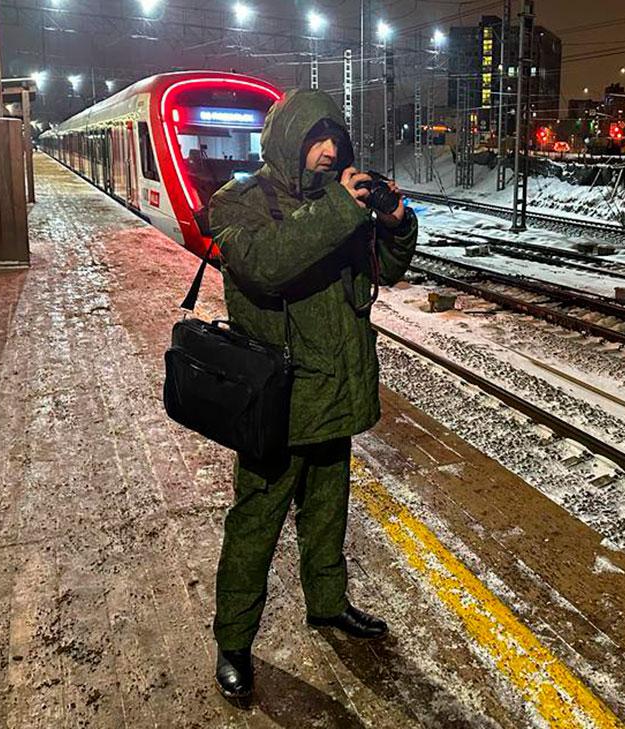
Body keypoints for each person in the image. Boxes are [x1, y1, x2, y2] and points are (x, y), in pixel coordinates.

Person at [206, 89, 417, 702]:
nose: (328, 152)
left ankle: (327, 605)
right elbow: (267, 265)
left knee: (328, 514)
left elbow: (387, 271)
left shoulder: (341, 202)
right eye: (315, 140)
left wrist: (395, 226)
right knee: (255, 526)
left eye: (335, 141)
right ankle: (234, 642)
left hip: (336, 391)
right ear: (287, 141)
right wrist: (340, 212)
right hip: (277, 400)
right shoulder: (239, 203)